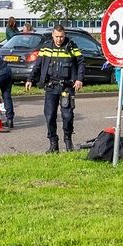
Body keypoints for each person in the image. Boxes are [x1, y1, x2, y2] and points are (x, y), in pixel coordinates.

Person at [24, 24, 85, 153]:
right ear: (53, 35)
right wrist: (30, 79)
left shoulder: (71, 46)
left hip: (66, 87)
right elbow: (38, 64)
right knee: (50, 116)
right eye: (57, 37)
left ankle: (68, 141)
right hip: (51, 87)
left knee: (67, 116)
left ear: (65, 35)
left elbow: (80, 62)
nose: (59, 39)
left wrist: (79, 79)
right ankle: (53, 143)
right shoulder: (46, 47)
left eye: (62, 37)